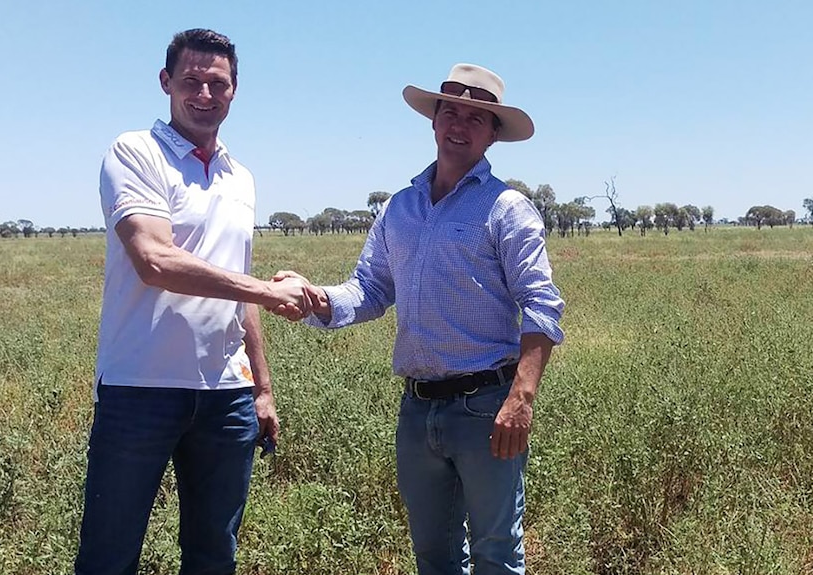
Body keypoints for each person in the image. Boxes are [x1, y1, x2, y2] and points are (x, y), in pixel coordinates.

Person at [272, 63, 564, 574]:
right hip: (417, 408)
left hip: (487, 409)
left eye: (476, 117)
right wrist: (314, 297)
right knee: (434, 554)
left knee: (497, 552)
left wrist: (520, 398)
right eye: (449, 111)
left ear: (493, 134)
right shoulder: (398, 209)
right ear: (432, 121)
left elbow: (542, 305)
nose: (459, 124)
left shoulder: (507, 209)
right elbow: (370, 288)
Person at [75, 29, 309, 575]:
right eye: (191, 81)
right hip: (140, 388)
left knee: (213, 552)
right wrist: (269, 292)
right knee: (109, 553)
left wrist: (262, 387)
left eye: (217, 83)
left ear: (234, 91)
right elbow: (155, 260)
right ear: (166, 83)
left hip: (226, 393)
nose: (204, 94)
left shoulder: (239, 176)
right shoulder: (136, 152)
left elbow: (236, 280)